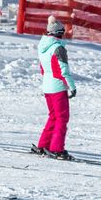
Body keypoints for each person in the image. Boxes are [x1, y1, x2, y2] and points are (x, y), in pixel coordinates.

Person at [32, 15, 76, 159]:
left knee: (53, 116)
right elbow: (63, 70)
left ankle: (43, 144)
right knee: (62, 118)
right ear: (59, 33)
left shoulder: (43, 46)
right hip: (57, 87)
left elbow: (43, 68)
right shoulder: (58, 48)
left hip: (47, 86)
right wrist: (72, 86)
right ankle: (57, 148)